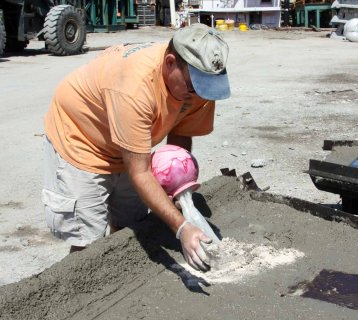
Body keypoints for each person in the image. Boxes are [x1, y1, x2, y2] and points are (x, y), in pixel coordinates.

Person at [41, 23, 230, 272]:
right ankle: (82, 291)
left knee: (132, 225)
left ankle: (118, 276)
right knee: (88, 241)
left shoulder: (197, 85)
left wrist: (177, 188)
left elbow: (180, 133)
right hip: (81, 140)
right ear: (171, 63)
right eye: (193, 86)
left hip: (128, 144)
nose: (199, 95)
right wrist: (182, 226)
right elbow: (140, 172)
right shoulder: (134, 86)